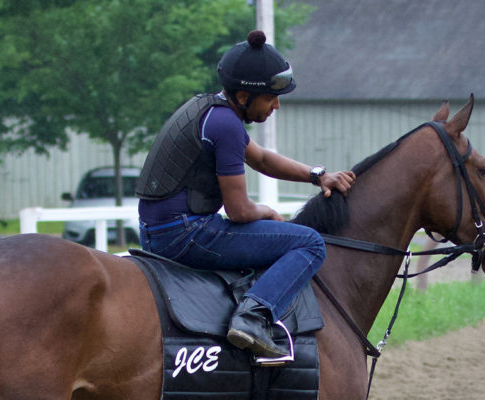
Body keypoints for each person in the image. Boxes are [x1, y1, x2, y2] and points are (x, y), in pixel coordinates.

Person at [135, 30, 355, 358]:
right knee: (310, 243)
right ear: (243, 96)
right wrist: (266, 212)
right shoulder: (225, 125)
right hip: (185, 234)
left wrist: (318, 176)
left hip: (159, 230)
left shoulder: (211, 111)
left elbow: (262, 159)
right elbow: (238, 212)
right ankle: (253, 316)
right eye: (270, 97)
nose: (276, 105)